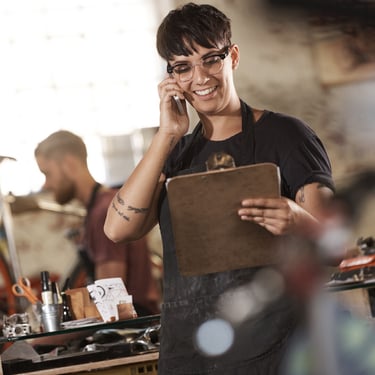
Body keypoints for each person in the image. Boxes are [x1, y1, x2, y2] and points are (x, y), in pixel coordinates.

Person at [104, 3, 335, 374]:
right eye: (182, 66)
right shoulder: (174, 153)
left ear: (234, 57)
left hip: (274, 349)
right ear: (171, 77)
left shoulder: (286, 136)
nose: (200, 77)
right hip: (190, 353)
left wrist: (297, 219)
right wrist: (166, 134)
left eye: (211, 59)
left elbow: (333, 243)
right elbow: (118, 229)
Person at [34, 130, 161, 317]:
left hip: (133, 329)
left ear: (69, 164)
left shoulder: (103, 213)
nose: (46, 184)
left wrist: (50, 334)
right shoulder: (102, 206)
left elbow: (112, 305)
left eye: (47, 173)